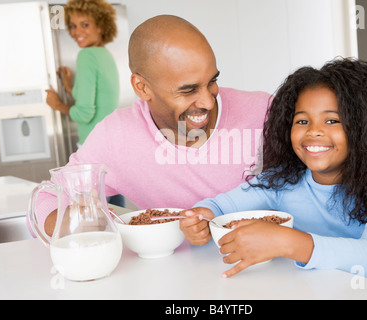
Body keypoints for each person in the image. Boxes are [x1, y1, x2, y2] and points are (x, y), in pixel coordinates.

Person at [181, 58, 367, 293]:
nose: (314, 132)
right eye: (302, 121)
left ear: (366, 128)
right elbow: (220, 205)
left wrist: (285, 242)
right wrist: (200, 218)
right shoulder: (282, 181)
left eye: (332, 120)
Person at [29, 15, 271, 237]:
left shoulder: (264, 111)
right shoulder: (117, 135)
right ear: (142, 87)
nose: (208, 101)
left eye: (212, 81)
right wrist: (74, 221)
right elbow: (48, 197)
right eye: (188, 90)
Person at [45, 0, 124, 207]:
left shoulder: (87, 56)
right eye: (73, 25)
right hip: (110, 148)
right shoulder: (103, 55)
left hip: (92, 149)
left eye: (85, 24)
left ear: (101, 25)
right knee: (114, 209)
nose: (77, 31)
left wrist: (58, 104)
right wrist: (71, 87)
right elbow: (100, 101)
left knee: (95, 215)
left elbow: (85, 113)